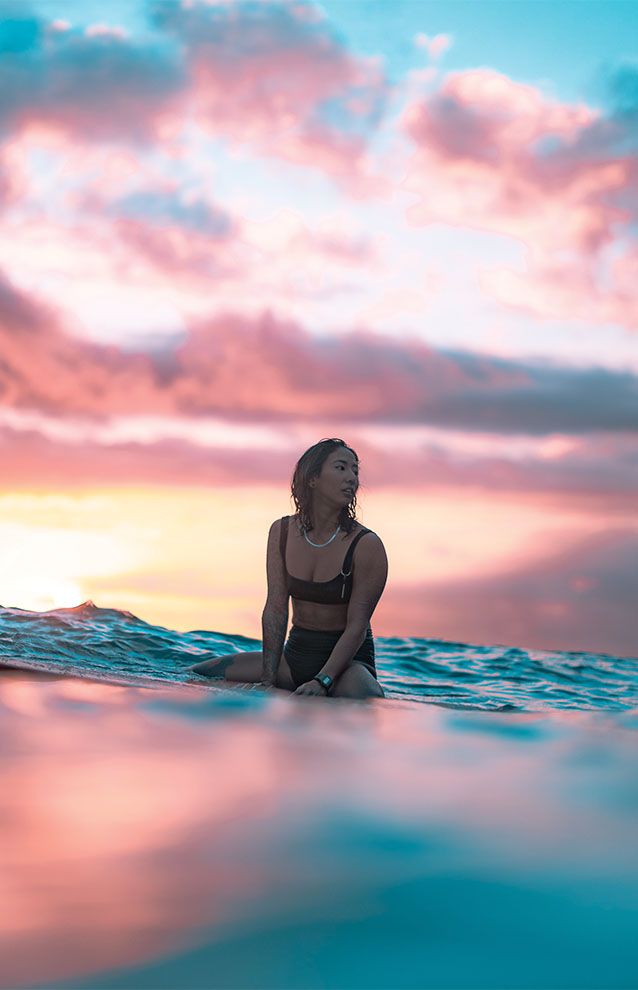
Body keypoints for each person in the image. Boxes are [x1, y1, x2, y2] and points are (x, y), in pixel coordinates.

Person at [190, 438, 388, 699]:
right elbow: (275, 607)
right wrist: (268, 678)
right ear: (312, 479)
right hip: (294, 658)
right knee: (194, 675)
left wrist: (323, 680)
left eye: (355, 470)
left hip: (346, 668)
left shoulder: (366, 545)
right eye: (341, 468)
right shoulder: (281, 532)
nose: (352, 477)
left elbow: (357, 626)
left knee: (370, 700)